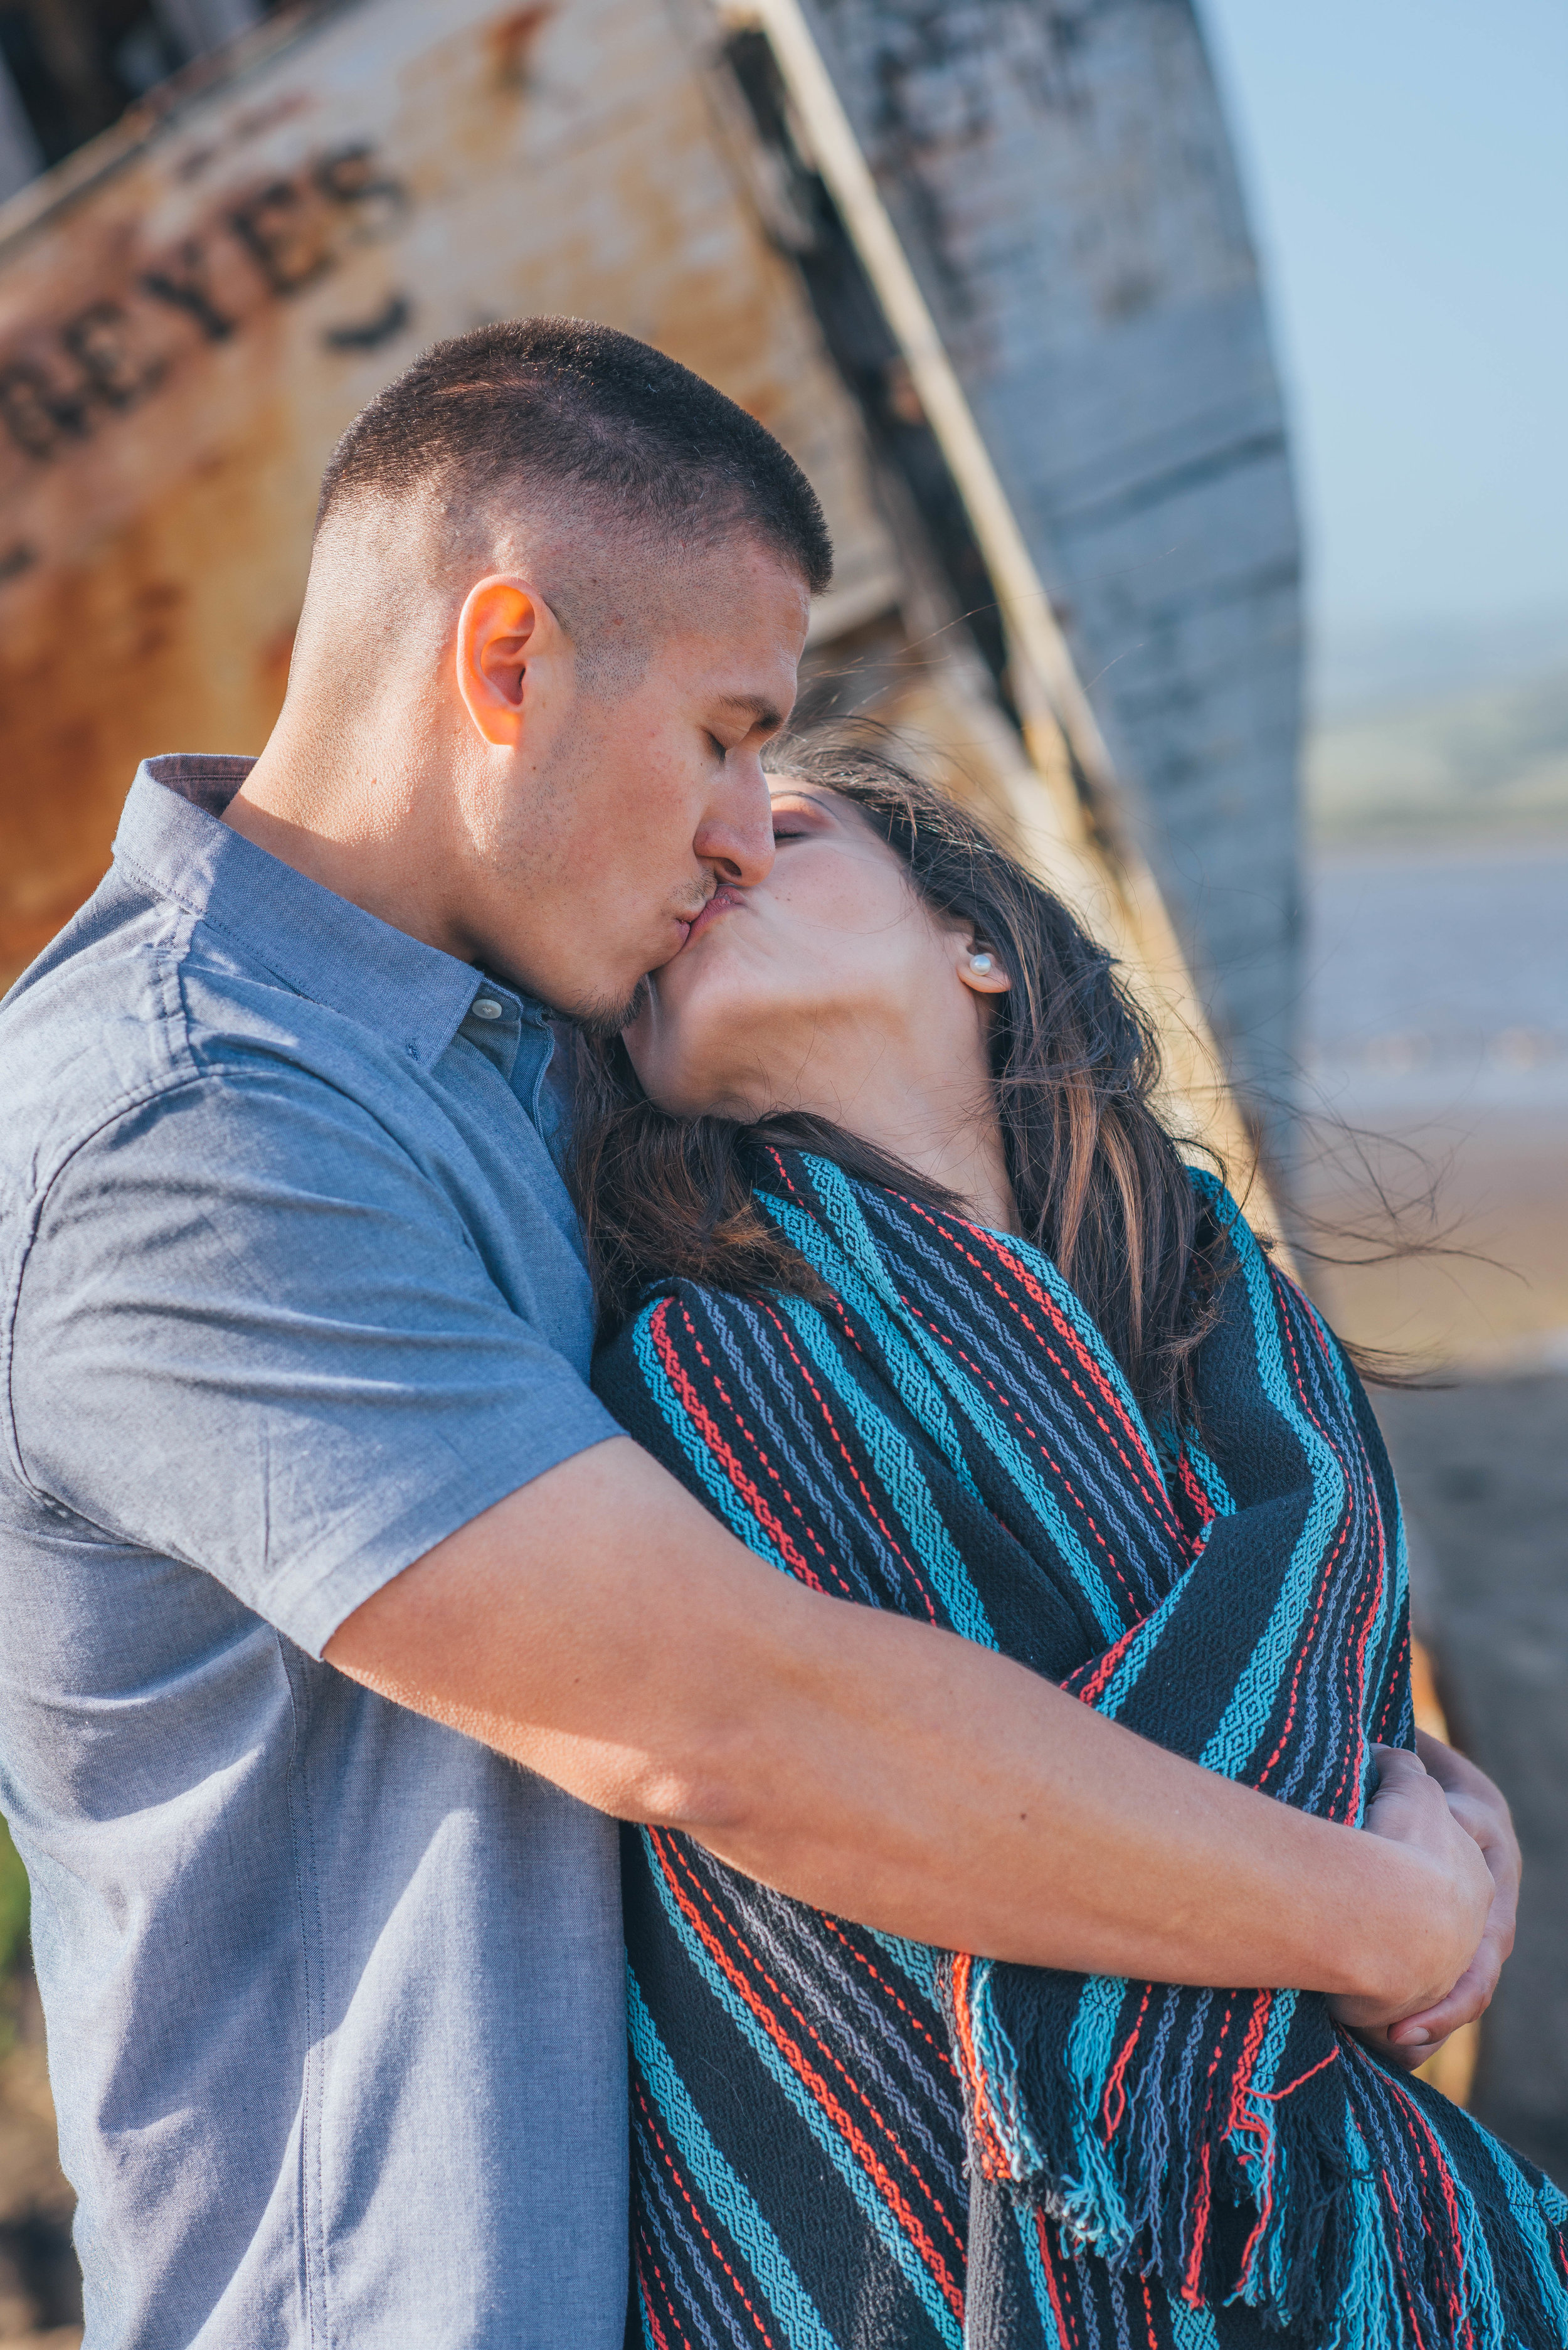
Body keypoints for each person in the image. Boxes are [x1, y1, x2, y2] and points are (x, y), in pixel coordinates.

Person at [0, 320, 1501, 2349]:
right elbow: (723, 1717)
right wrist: (1375, 1912)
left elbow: (1027, 1548)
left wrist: (1379, 1780)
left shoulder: (528, 1073)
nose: (736, 825)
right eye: (724, 733)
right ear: (504, 659)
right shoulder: (184, 1132)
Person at [573, 733, 1566, 2350]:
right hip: (926, 2270)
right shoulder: (700, 1377)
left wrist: (1430, 1807)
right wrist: (1398, 1883)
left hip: (1339, 2237)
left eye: (795, 827)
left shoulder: (1229, 1330)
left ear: (979, 946)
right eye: (679, 873)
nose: (726, 854)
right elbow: (874, 1795)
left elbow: (1334, 1727)